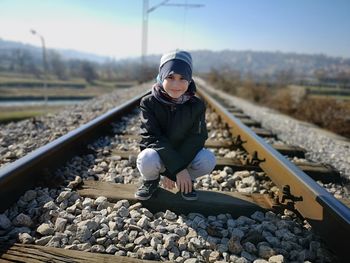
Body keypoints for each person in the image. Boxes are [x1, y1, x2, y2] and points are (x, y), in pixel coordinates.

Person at [135, 50, 216, 201]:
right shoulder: (148, 103)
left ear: (190, 80)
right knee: (146, 157)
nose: (176, 84)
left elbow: (197, 139)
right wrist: (176, 170)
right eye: (170, 77)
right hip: (159, 156)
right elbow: (152, 138)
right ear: (161, 76)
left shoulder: (197, 105)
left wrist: (179, 170)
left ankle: (186, 181)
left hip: (184, 157)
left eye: (182, 78)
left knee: (208, 159)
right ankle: (151, 181)